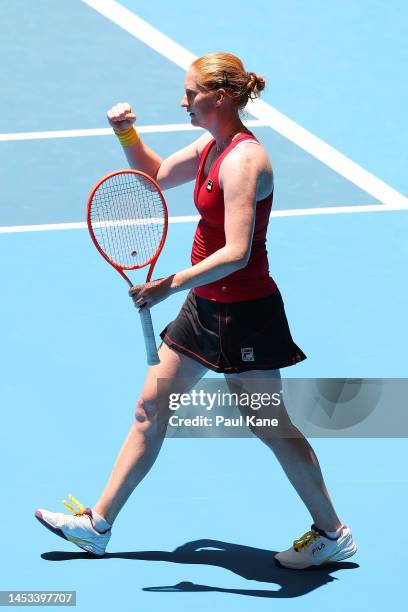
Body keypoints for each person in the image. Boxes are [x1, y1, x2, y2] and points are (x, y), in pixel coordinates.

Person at [35, 52, 356, 569]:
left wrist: (168, 284)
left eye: (191, 93)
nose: (182, 101)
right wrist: (125, 134)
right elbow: (157, 174)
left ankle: (331, 532)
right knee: (149, 410)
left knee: (269, 426)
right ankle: (98, 525)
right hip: (203, 306)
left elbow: (237, 252)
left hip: (246, 313)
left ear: (221, 97)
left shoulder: (245, 160)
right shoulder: (212, 145)